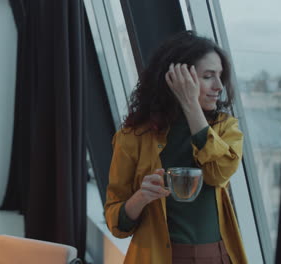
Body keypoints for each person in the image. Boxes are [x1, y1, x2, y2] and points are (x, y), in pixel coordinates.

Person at [104, 30, 247, 264]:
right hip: (158, 258)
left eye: (220, 76)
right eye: (208, 76)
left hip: (216, 256)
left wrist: (190, 104)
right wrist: (141, 197)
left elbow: (218, 173)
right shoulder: (132, 137)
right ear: (176, 78)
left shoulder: (225, 128)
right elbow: (116, 224)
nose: (219, 86)